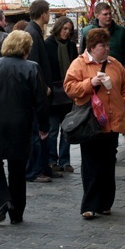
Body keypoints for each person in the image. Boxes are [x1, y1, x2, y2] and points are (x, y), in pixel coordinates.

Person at [0, 30, 49, 224]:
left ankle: (3, 199)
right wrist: (44, 125)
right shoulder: (32, 68)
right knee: (17, 168)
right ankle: (16, 212)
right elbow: (40, 101)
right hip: (20, 123)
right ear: (27, 49)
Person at [64, 28, 125, 219]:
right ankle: (90, 205)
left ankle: (105, 203)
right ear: (92, 48)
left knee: (108, 163)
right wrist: (90, 83)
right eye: (103, 45)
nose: (107, 48)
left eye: (108, 45)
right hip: (91, 122)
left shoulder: (115, 64)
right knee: (91, 164)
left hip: (112, 122)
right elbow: (69, 88)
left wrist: (124, 103)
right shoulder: (79, 64)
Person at [25, 0, 57, 183]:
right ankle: (36, 170)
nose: (49, 15)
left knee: (42, 130)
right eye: (48, 12)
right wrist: (42, 86)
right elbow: (34, 63)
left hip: (42, 89)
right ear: (43, 13)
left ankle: (43, 167)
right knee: (38, 132)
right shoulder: (32, 33)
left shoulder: (35, 31)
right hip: (39, 92)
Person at [45, 16, 78, 173]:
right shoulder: (48, 44)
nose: (66, 32)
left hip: (68, 91)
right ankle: (52, 160)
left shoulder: (71, 46)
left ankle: (65, 160)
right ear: (58, 28)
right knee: (52, 129)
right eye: (64, 29)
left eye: (69, 30)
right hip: (53, 91)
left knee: (67, 128)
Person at [81, 2, 125, 69]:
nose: (108, 16)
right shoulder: (87, 32)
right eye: (105, 14)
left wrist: (123, 71)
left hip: (116, 71)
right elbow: (82, 55)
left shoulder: (121, 32)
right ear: (96, 15)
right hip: (93, 71)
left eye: (110, 13)